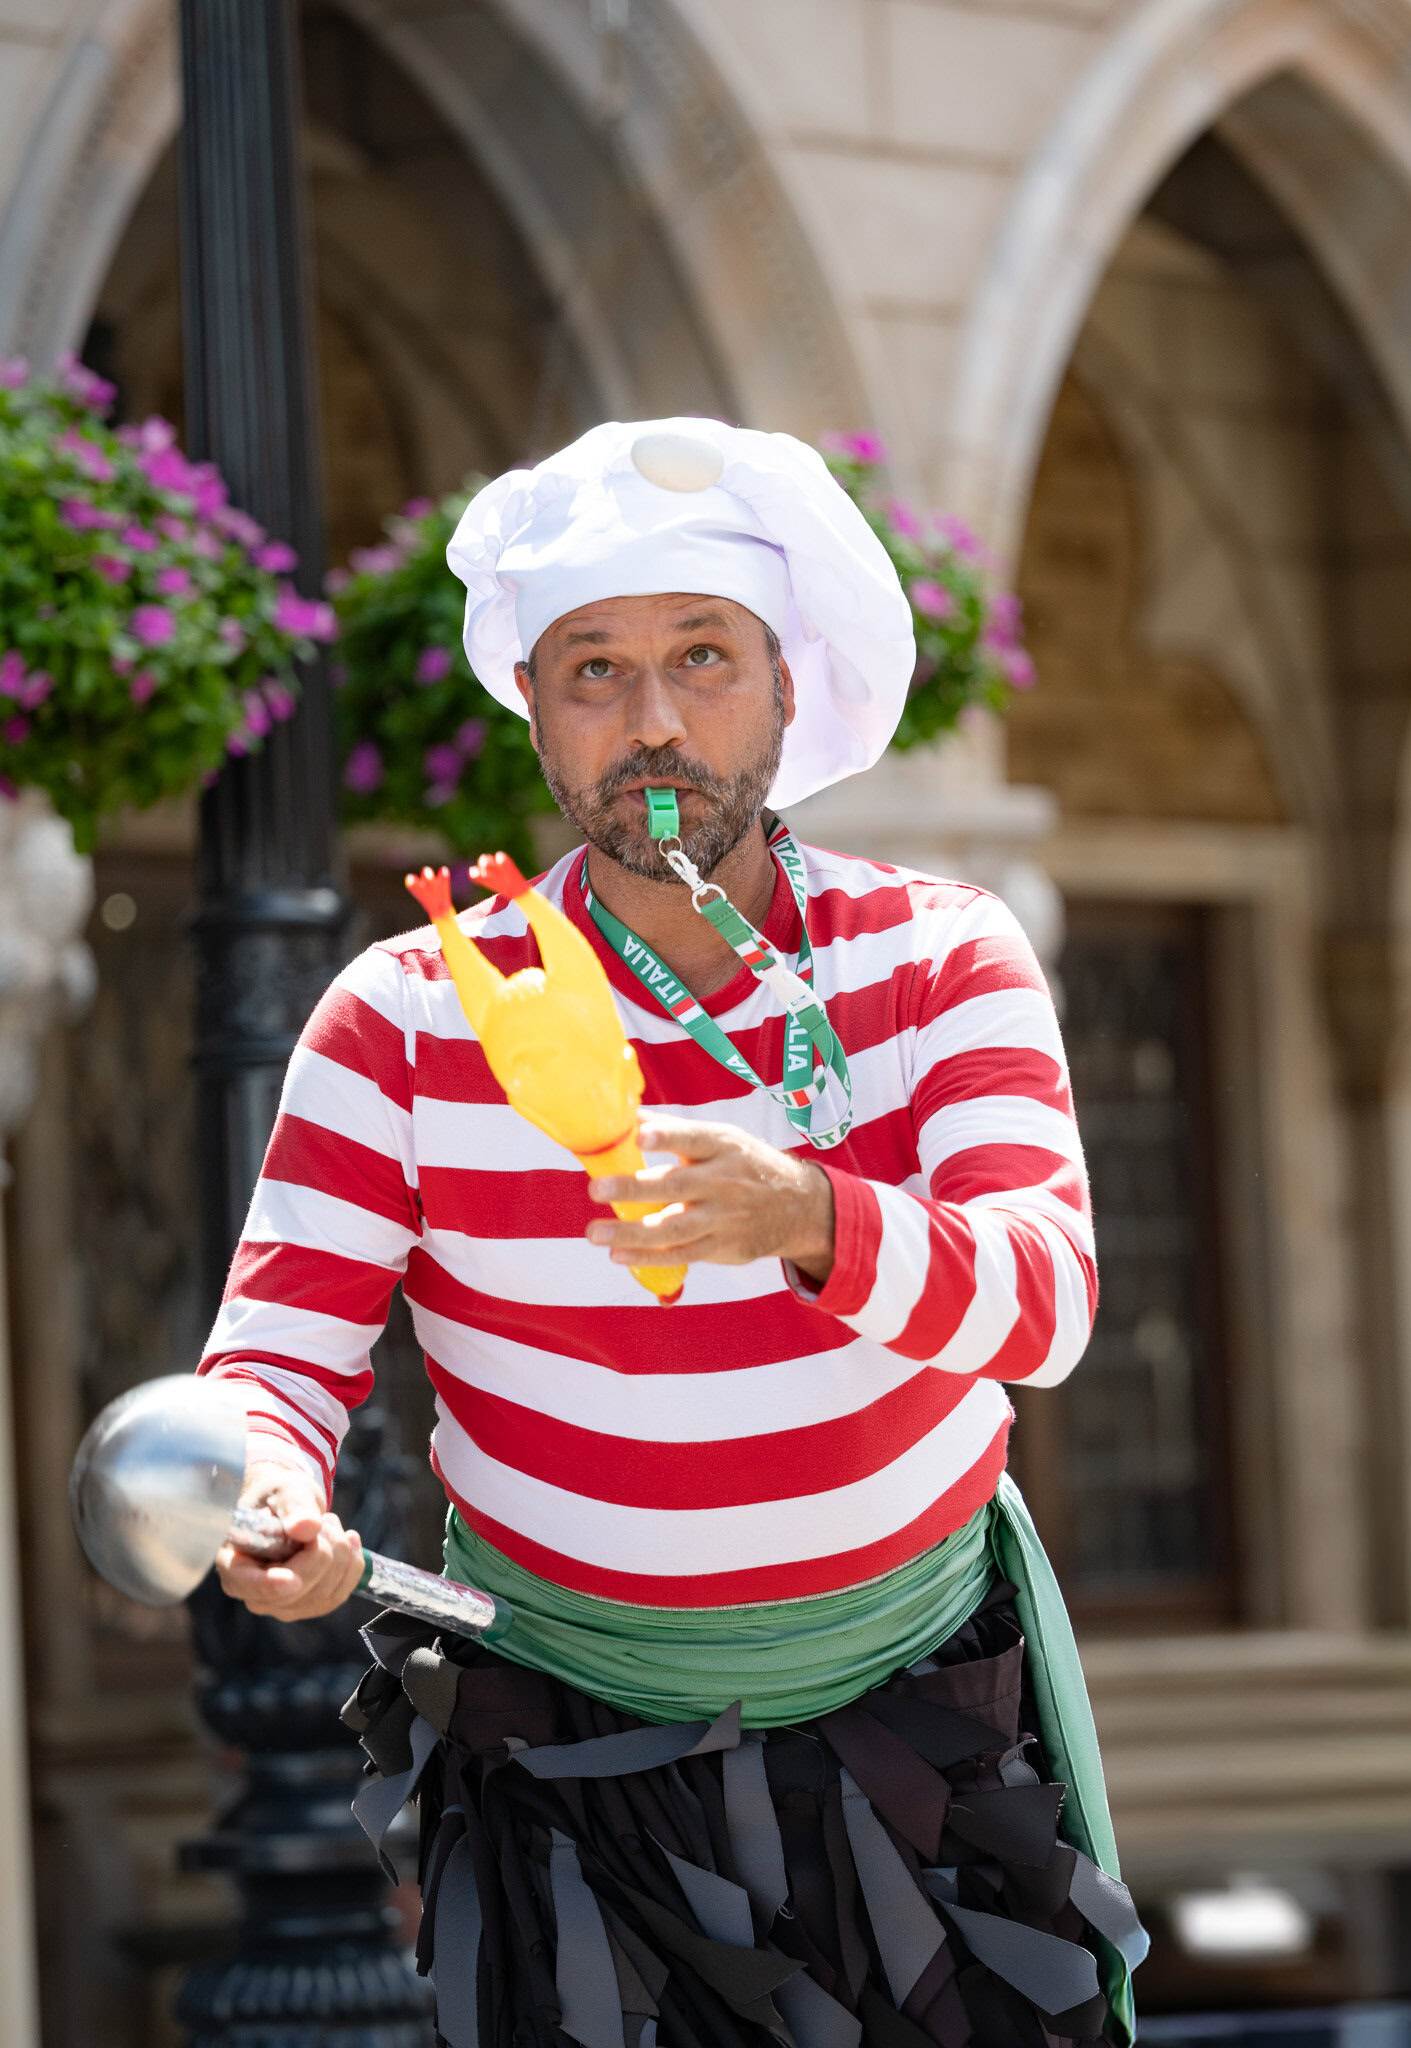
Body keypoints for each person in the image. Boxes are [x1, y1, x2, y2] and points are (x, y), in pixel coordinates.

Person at [203, 417, 1146, 2048]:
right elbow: (275, 1355)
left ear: (786, 686)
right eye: (594, 671)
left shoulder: (941, 958)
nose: (653, 722)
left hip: (921, 1719)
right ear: (539, 718)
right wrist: (265, 1485)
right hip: (558, 1748)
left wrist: (809, 1216)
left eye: (702, 657)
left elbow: (1046, 1305)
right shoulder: (405, 1013)